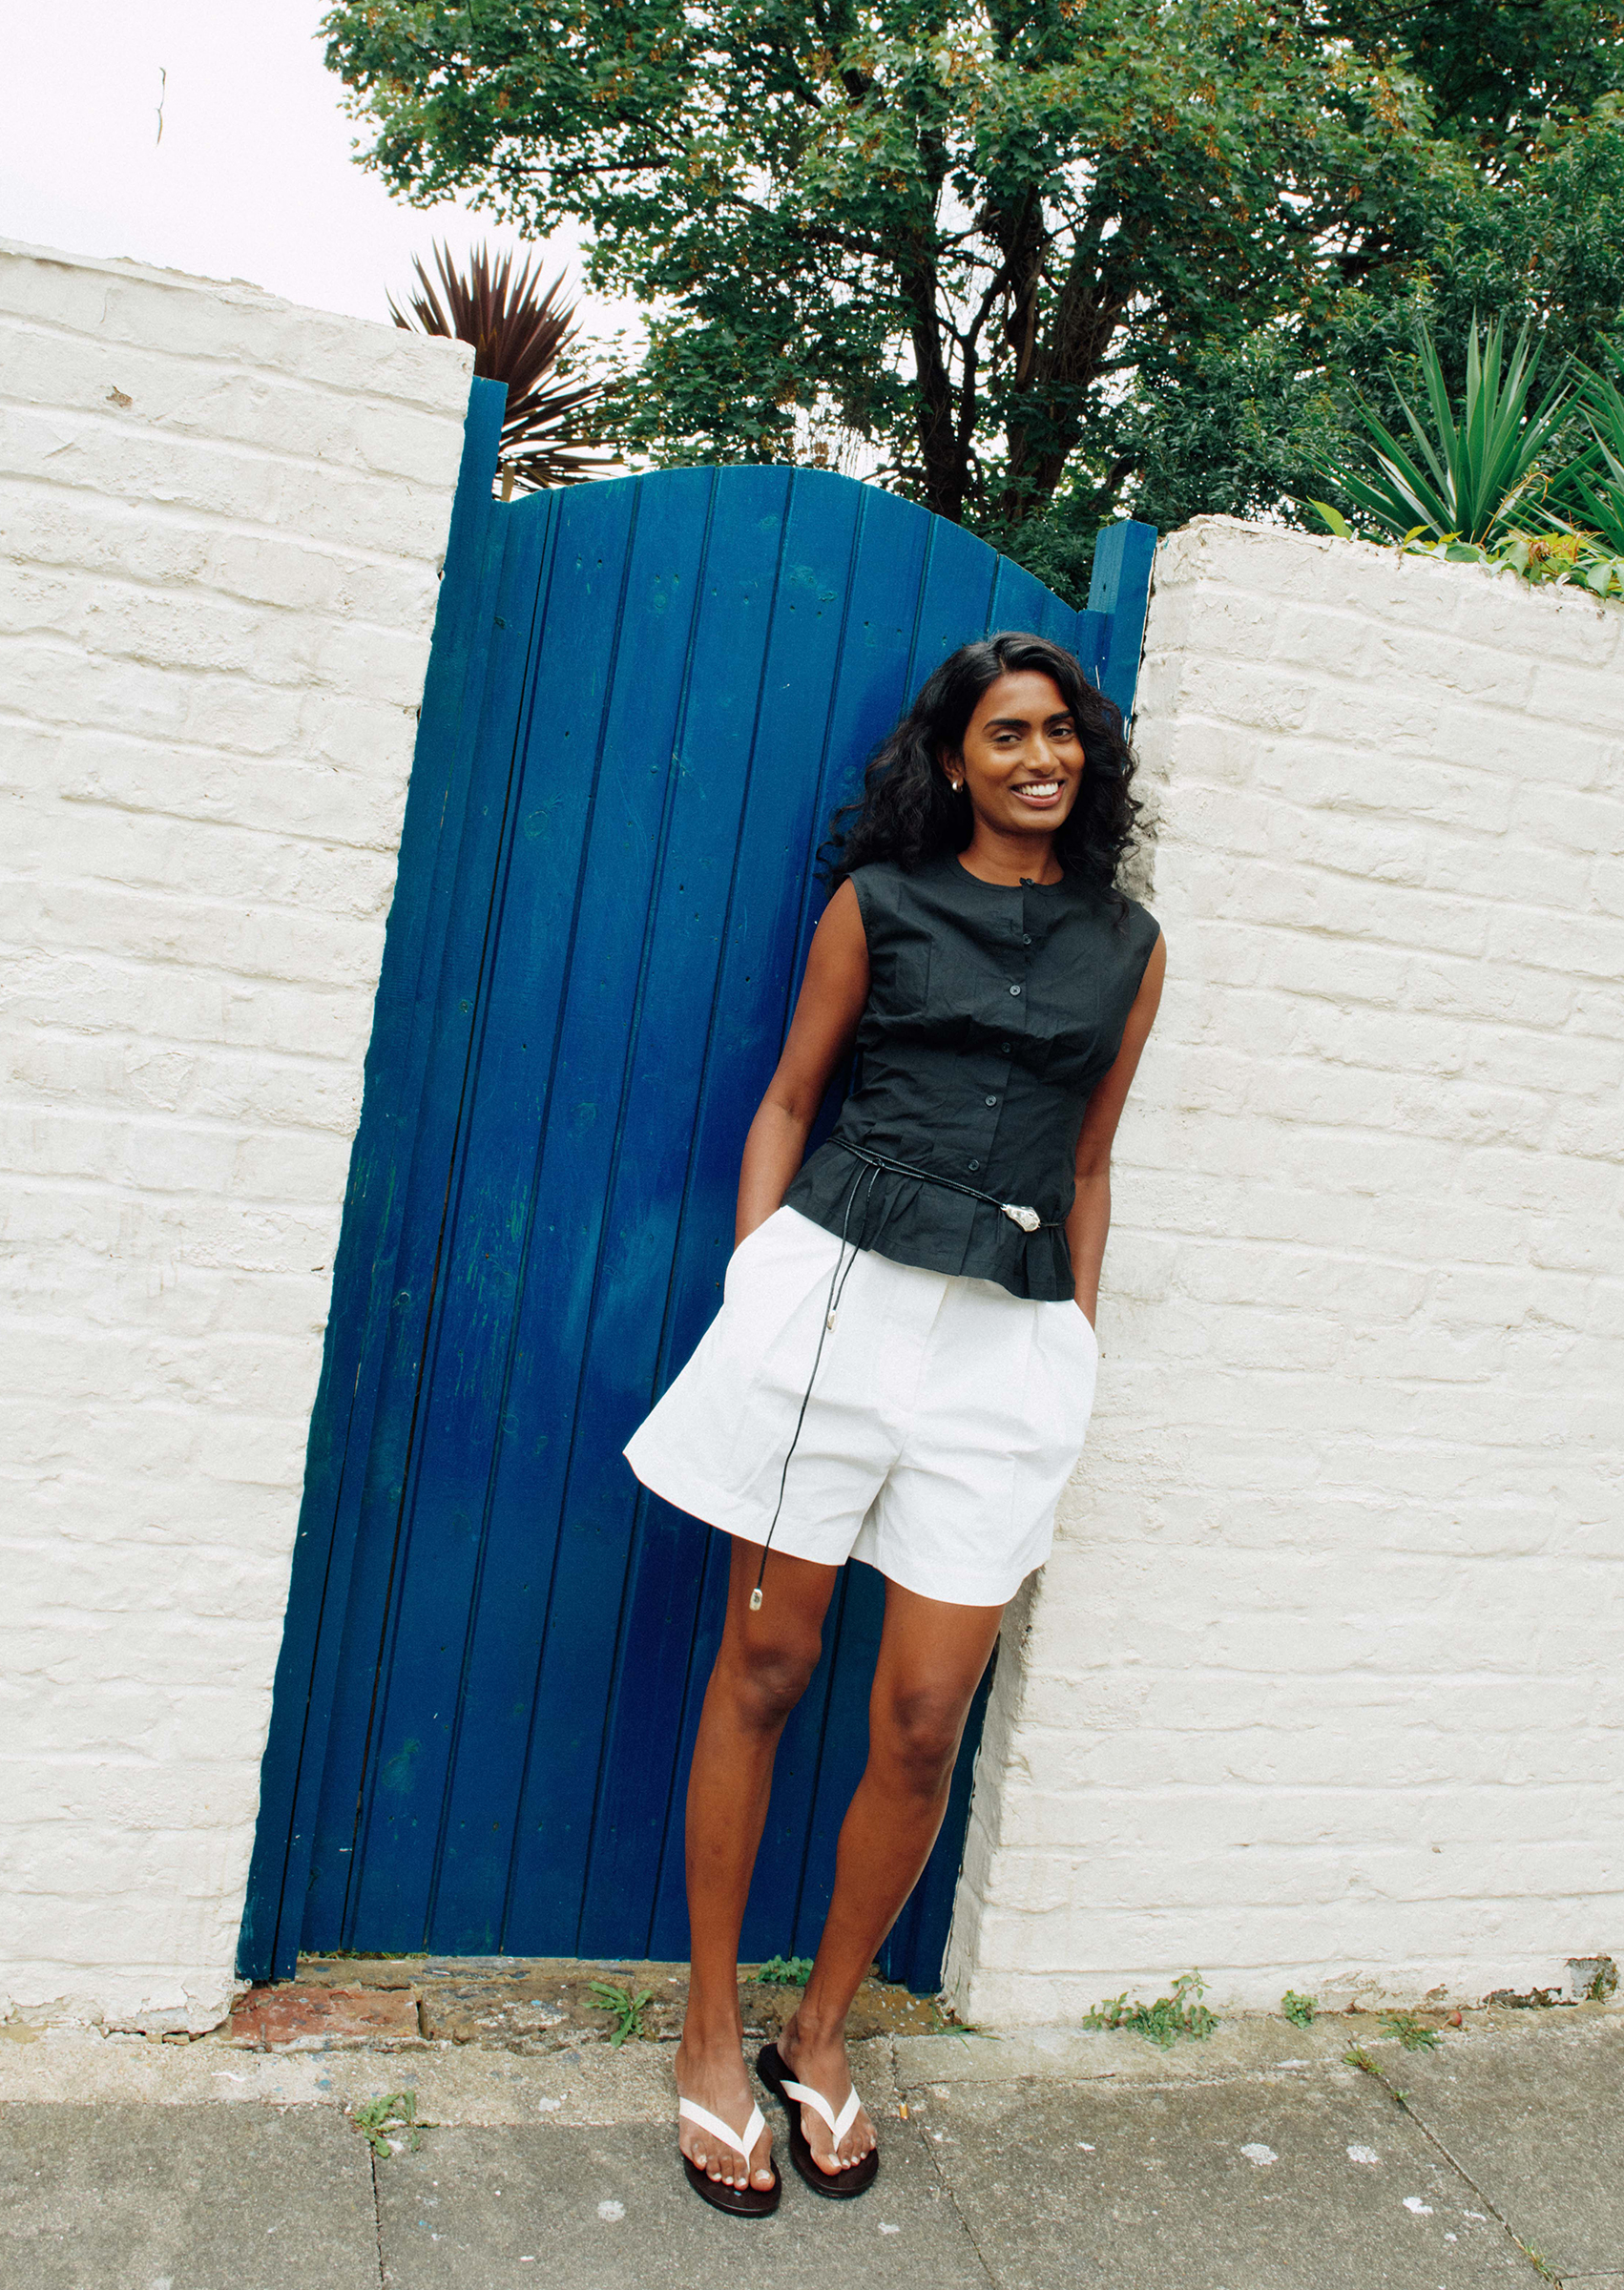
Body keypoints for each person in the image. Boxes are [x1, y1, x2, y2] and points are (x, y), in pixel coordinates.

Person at [624, 630, 1166, 2216]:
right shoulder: (882, 906)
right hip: (837, 1302)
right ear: (953, 761)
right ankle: (711, 2033)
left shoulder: (1130, 945)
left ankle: (820, 2032)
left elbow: (1090, 1161)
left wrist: (1073, 1337)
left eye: (1060, 732)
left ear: (1088, 756)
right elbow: (790, 1099)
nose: (1037, 758)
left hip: (1007, 1338)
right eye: (1005, 733)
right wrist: (755, 1291)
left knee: (926, 1715)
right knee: (771, 1663)